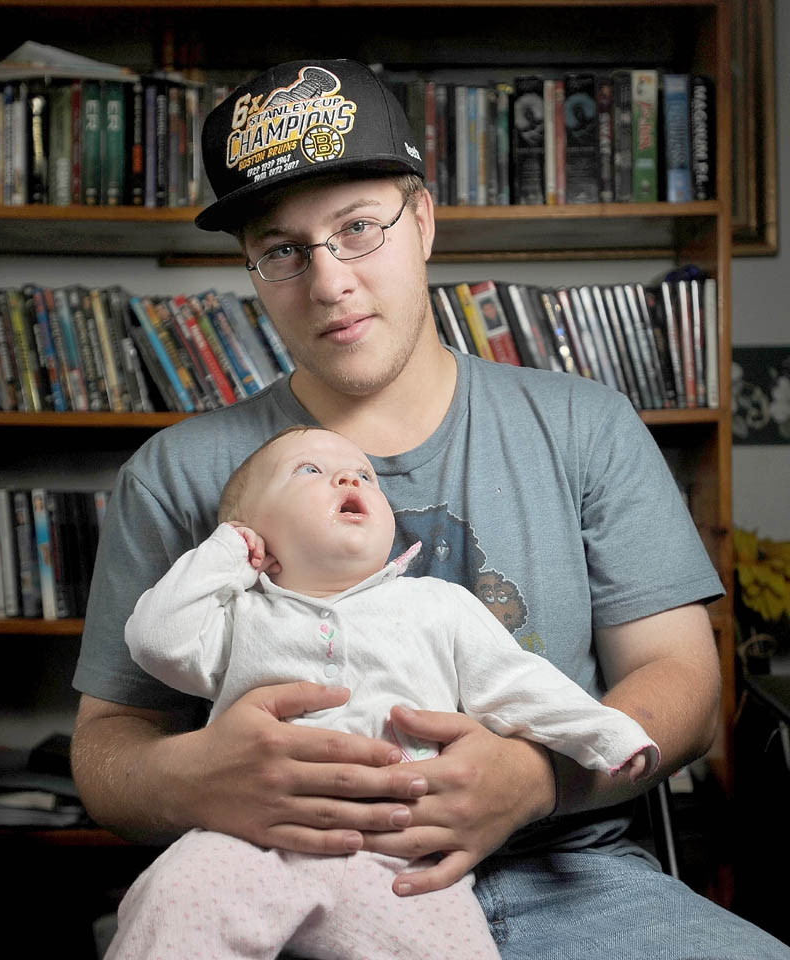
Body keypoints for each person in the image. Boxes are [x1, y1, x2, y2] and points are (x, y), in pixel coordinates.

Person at [70, 58, 790, 958]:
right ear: (252, 267)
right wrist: (192, 779)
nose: (328, 283)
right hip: (281, 883)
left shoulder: (584, 427)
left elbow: (683, 682)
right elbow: (108, 749)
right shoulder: (176, 473)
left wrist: (532, 778)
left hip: (568, 873)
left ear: (424, 222)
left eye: (359, 228)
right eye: (283, 251)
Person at [105, 424, 658, 958]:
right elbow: (156, 641)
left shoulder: (437, 605)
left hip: (403, 862)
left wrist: (605, 734)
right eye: (312, 470)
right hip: (252, 843)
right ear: (255, 533)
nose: (349, 482)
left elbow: (518, 683)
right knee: (172, 897)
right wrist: (226, 554)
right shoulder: (239, 616)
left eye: (364, 476)